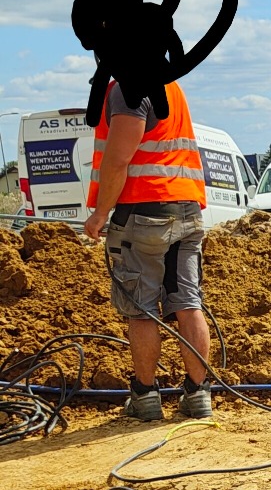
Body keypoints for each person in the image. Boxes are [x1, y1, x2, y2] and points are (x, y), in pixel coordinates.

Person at [82, 74, 213, 422]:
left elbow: (119, 158)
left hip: (142, 212)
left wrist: (99, 213)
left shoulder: (130, 87)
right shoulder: (168, 83)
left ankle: (146, 395)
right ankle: (198, 395)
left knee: (140, 307)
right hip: (185, 208)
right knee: (187, 302)